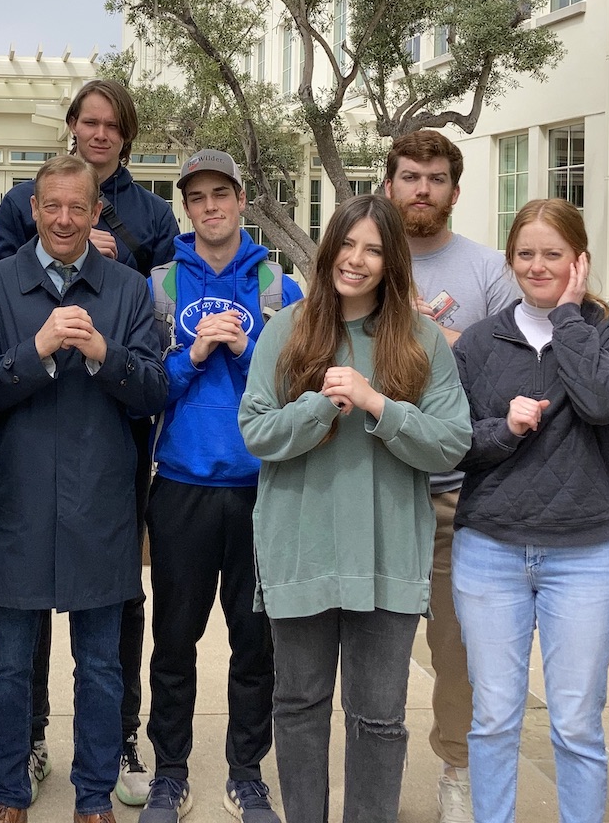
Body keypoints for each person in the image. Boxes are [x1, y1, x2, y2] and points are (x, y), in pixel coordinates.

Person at [239, 195, 471, 823]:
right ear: (328, 248)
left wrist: (377, 404)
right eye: (347, 244)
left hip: (386, 554)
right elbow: (255, 431)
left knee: (379, 718)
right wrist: (321, 405)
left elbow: (452, 441)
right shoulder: (289, 329)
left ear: (392, 260)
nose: (357, 260)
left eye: (373, 248)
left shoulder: (422, 340)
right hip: (301, 549)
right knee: (299, 706)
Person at [0, 78, 176, 807]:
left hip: (100, 499)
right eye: (51, 207)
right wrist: (33, 351)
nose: (65, 219)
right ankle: (8, 789)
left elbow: (156, 390)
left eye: (79, 208)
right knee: (7, 665)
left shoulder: (126, 293)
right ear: (33, 212)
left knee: (99, 665)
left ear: (100, 212)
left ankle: (95, 796)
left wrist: (104, 354)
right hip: (20, 499)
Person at [449, 199, 609, 823]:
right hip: (491, 550)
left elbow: (601, 402)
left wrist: (568, 316)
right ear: (510, 259)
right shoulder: (481, 341)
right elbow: (454, 442)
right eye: (527, 254)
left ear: (579, 260)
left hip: (585, 555)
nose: (539, 266)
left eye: (554, 255)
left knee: (577, 724)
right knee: (493, 717)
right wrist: (504, 430)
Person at [140, 150, 301, 823]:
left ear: (241, 201)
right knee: (174, 640)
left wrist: (249, 348)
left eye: (221, 194)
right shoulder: (159, 286)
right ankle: (169, 774)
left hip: (261, 490)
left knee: (255, 643)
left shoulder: (278, 286)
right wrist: (193, 355)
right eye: (197, 197)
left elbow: (300, 385)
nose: (210, 207)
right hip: (180, 486)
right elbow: (143, 384)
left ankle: (246, 772)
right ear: (186, 207)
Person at [382, 128, 514, 823]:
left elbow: (509, 370)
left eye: (435, 179)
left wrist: (434, 340)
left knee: (458, 649)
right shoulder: (363, 260)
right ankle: (375, 776)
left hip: (457, 493)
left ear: (454, 192)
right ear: (389, 186)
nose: (422, 189)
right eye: (410, 177)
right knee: (370, 649)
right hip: (376, 490)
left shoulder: (489, 270)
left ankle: (458, 770)